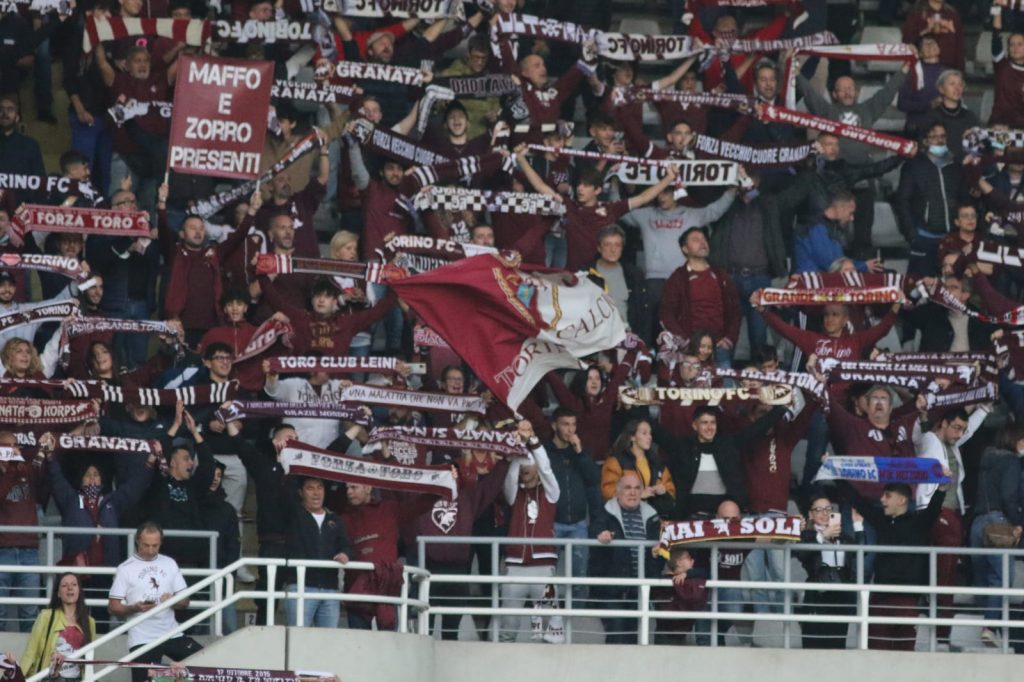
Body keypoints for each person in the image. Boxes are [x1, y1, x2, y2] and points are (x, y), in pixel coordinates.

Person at [842, 472, 950, 650]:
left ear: (902, 500)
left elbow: (933, 509)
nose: (882, 499)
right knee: (876, 653)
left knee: (904, 654)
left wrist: (942, 487)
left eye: (887, 496)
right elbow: (859, 502)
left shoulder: (918, 523)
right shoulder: (882, 521)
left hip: (907, 598)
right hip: (880, 597)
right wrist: (836, 473)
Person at [108, 522, 202, 682]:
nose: (151, 550)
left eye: (155, 546)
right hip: (141, 638)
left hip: (173, 633)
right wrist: (134, 608)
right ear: (137, 541)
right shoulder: (125, 568)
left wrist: (172, 601)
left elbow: (185, 602)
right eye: (146, 545)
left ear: (161, 543)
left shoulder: (170, 563)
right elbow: (113, 607)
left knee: (205, 666)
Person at [499, 422, 563, 643]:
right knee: (507, 628)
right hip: (515, 565)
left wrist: (532, 442)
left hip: (543, 566)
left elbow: (546, 469)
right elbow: (509, 481)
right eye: (522, 464)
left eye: (529, 463)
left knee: (549, 630)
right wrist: (518, 449)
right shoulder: (513, 494)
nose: (526, 467)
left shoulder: (551, 493)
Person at [589, 473, 662, 644]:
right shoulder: (604, 513)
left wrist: (656, 555)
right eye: (628, 488)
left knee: (632, 641)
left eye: (637, 488)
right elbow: (593, 531)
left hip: (638, 590)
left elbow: (659, 559)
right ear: (617, 491)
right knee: (618, 637)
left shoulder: (653, 516)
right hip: (611, 591)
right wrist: (600, 535)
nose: (633, 493)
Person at [970, 425, 1024, 646]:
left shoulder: (986, 459)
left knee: (983, 579)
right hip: (999, 525)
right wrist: (1019, 522)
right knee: (1001, 580)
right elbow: (1009, 495)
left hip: (977, 524)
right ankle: (990, 627)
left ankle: (987, 624)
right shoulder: (1011, 461)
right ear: (1015, 440)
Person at [659, 227, 742, 369]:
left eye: (704, 239)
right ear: (685, 249)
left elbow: (735, 311)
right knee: (691, 390)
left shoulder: (720, 275)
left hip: (719, 347)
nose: (702, 243)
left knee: (726, 389)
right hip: (691, 349)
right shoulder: (678, 278)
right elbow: (667, 315)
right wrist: (685, 341)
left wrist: (729, 339)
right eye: (696, 240)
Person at [796, 493, 864, 649]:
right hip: (818, 594)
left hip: (841, 593)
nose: (825, 513)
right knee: (813, 642)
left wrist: (858, 526)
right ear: (811, 514)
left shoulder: (842, 536)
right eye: (819, 510)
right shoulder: (807, 535)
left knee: (837, 642)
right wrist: (822, 536)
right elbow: (802, 553)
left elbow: (861, 551)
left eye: (828, 509)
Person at [285, 477, 352, 628]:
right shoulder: (294, 515)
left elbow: (346, 544)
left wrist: (345, 553)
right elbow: (284, 490)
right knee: (298, 642)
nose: (316, 493)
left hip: (330, 588)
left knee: (327, 644)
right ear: (300, 493)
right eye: (310, 488)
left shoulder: (334, 518)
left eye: (320, 487)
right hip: (301, 586)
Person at [22, 573, 96, 678]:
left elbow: (89, 660)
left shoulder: (90, 622)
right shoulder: (46, 616)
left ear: (79, 591)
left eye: (74, 585)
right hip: (50, 678)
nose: (70, 588)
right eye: (64, 585)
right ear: (58, 593)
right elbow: (30, 653)